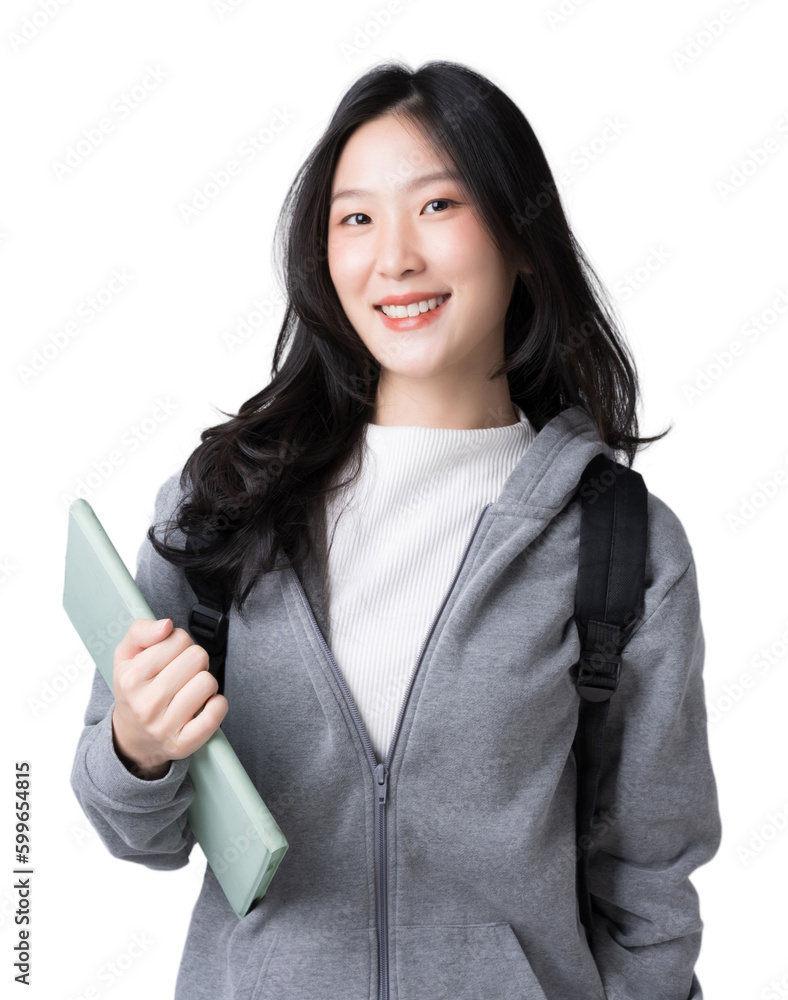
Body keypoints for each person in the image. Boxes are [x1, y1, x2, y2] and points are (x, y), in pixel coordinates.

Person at [70, 60, 722, 1000]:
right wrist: (138, 742)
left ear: (521, 236)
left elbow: (652, 886)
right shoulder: (222, 505)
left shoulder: (623, 548)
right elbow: (134, 827)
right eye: (357, 218)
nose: (395, 259)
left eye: (439, 206)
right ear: (323, 257)